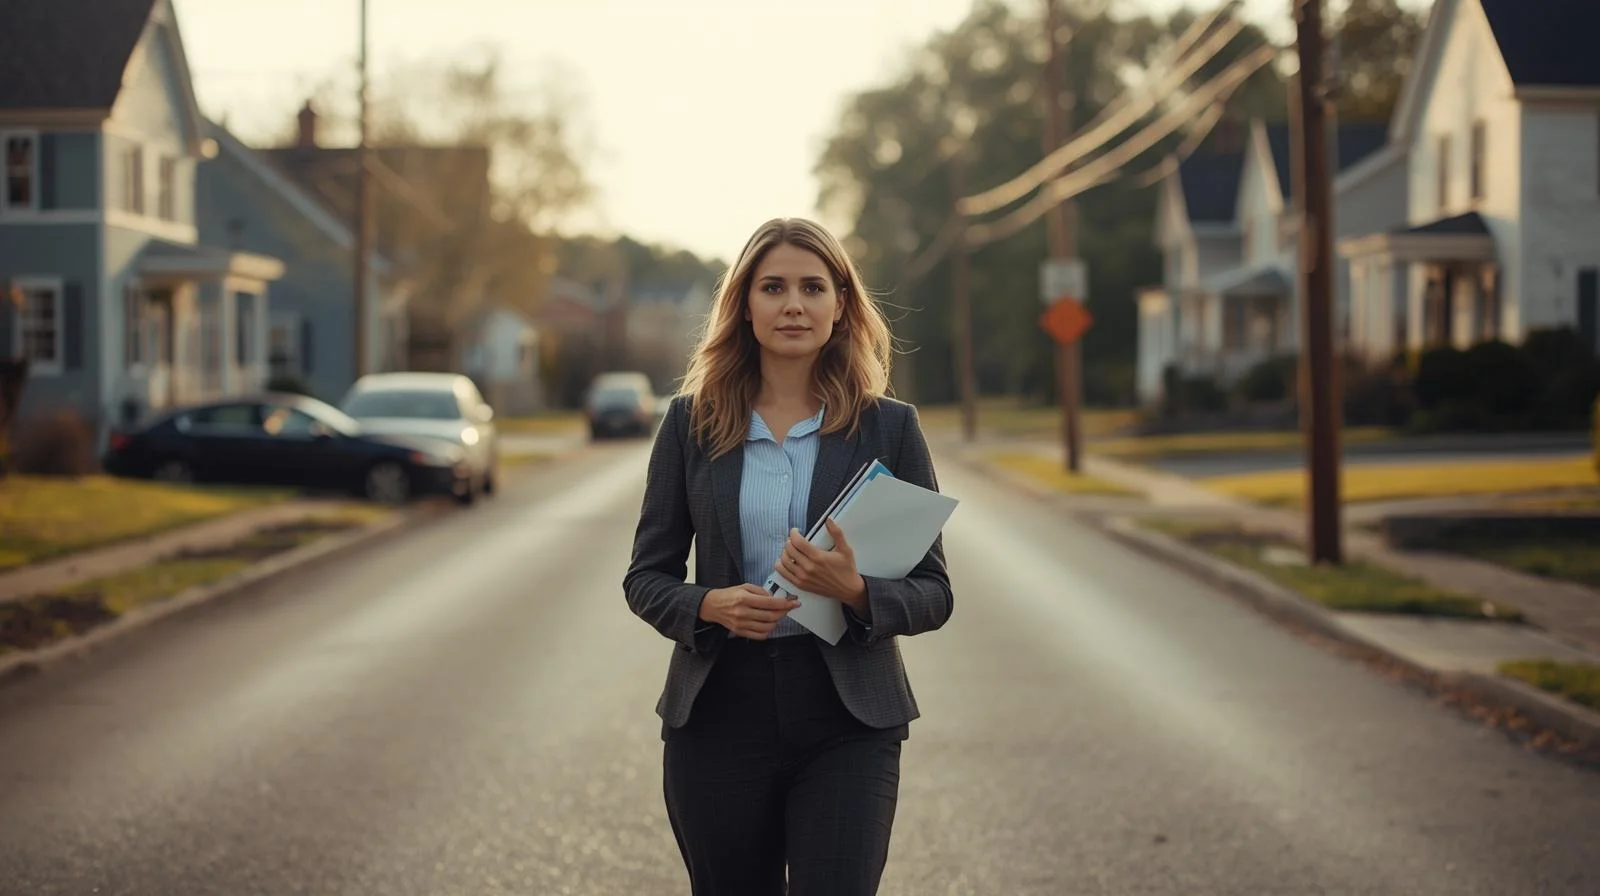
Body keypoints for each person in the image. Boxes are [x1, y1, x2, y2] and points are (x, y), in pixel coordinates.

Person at [623, 216, 953, 895]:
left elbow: (934, 592)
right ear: (745, 305)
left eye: (812, 287)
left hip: (848, 717)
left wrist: (856, 590)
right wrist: (707, 604)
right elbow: (645, 577)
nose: (794, 304)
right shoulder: (690, 424)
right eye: (773, 287)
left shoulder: (890, 427)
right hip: (718, 714)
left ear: (841, 305)